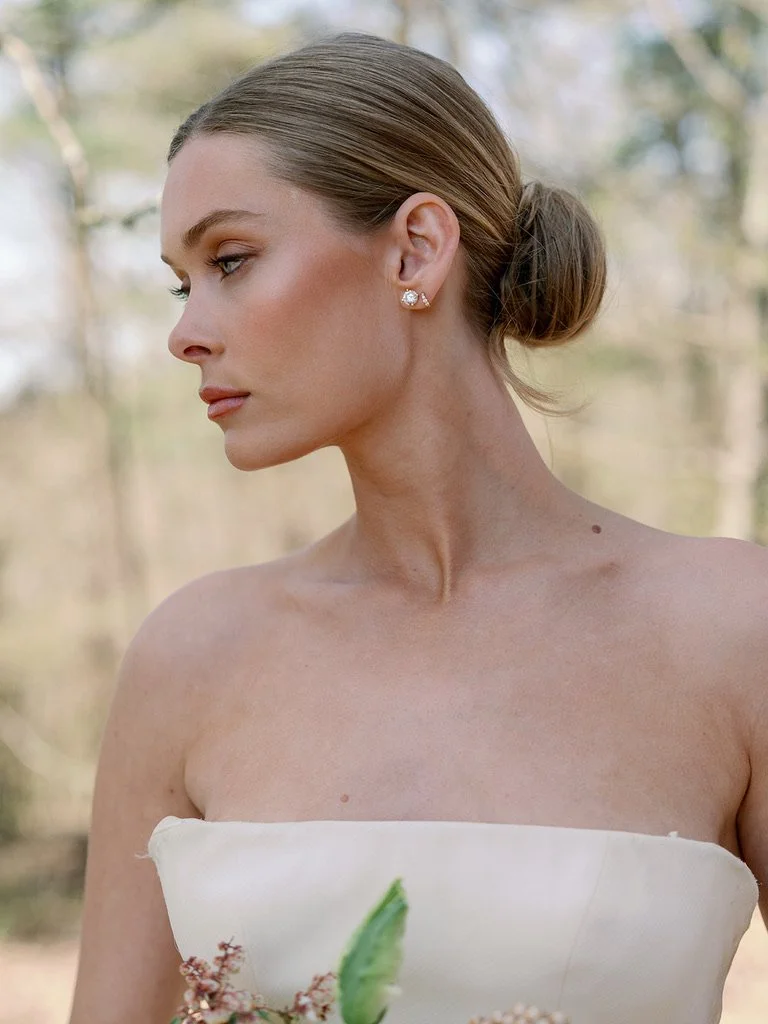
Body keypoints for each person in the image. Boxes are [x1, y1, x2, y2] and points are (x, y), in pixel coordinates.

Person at [68, 31, 766, 1024]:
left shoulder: (736, 629)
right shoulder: (189, 658)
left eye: (231, 260)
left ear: (416, 248)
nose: (186, 332)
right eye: (184, 283)